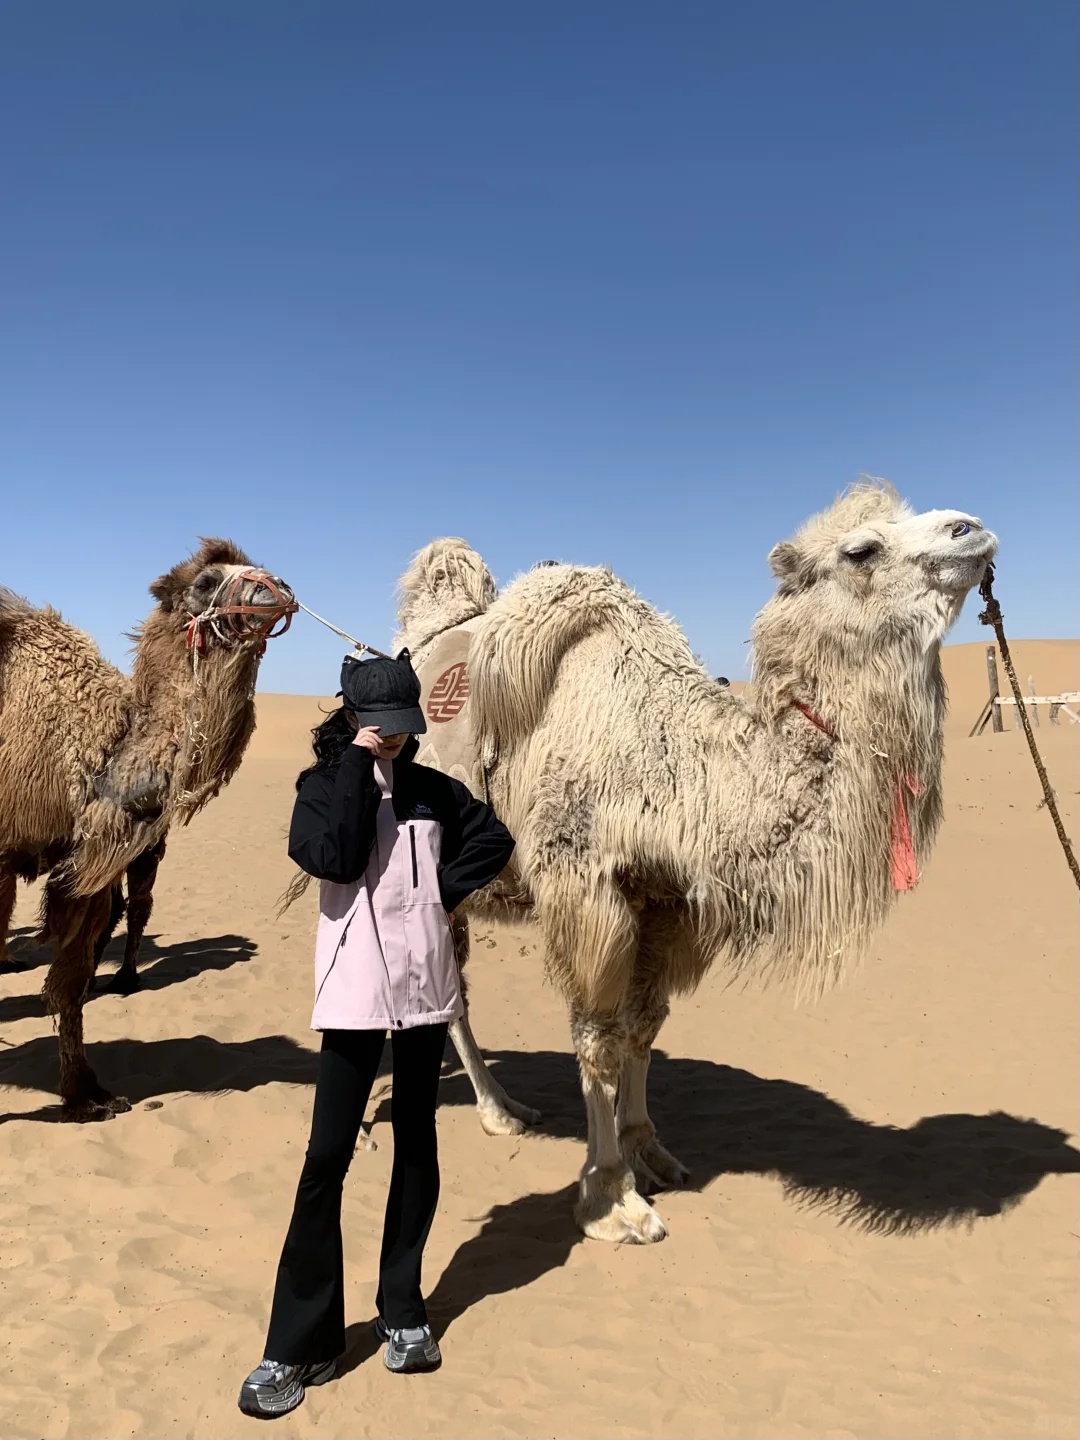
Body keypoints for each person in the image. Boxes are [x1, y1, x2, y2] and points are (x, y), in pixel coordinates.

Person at [239, 648, 515, 1419]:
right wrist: (359, 768)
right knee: (327, 1156)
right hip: (355, 998)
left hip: (427, 994)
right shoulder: (322, 789)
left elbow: (494, 840)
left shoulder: (436, 792)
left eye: (401, 728)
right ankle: (300, 1342)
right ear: (355, 717)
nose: (394, 739)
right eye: (379, 727)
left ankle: (404, 1310)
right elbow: (335, 855)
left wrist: (441, 897)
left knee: (417, 1142)